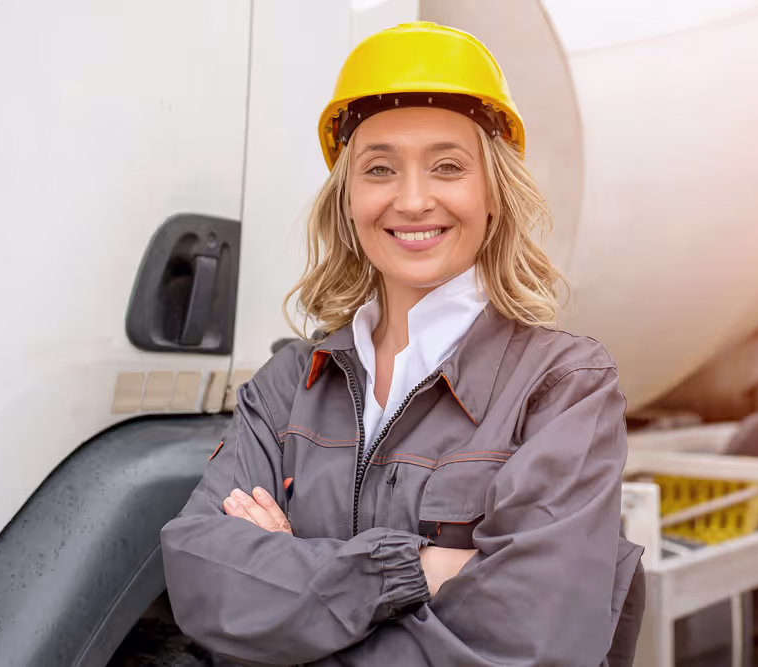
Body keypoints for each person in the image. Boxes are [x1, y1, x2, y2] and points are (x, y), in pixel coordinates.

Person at [161, 21, 644, 666]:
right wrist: (415, 569)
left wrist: (287, 592)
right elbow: (203, 578)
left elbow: (534, 642)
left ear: (492, 194)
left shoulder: (561, 386)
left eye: (447, 167)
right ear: (349, 199)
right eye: (380, 168)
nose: (413, 200)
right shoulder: (288, 385)